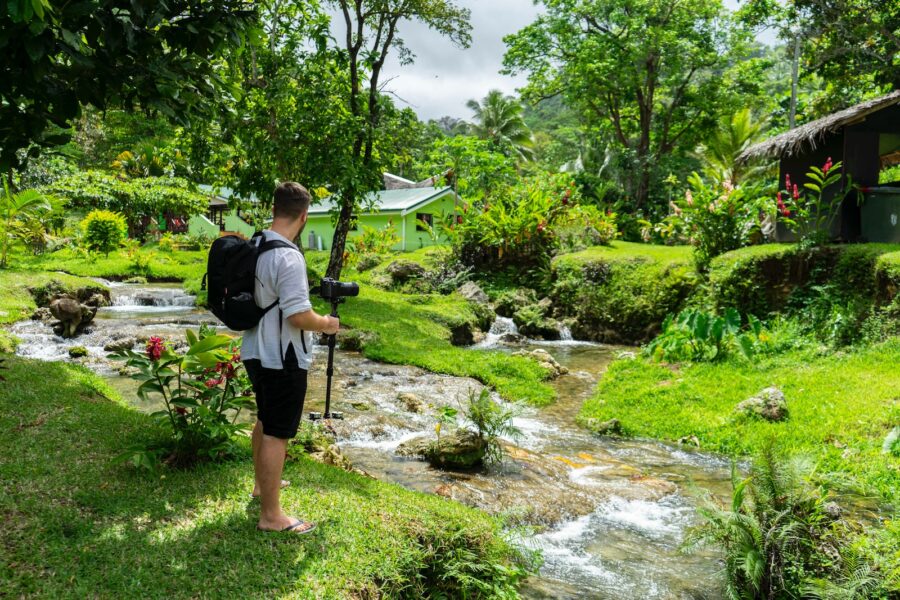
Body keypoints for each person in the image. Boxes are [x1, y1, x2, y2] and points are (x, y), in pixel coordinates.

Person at [241, 182, 340, 534]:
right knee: (278, 432)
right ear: (304, 215)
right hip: (281, 354)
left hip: (254, 349)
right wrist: (326, 324)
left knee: (266, 419)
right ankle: (271, 516)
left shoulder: (256, 244)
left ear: (274, 209)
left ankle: (260, 487)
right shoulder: (288, 255)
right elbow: (298, 316)